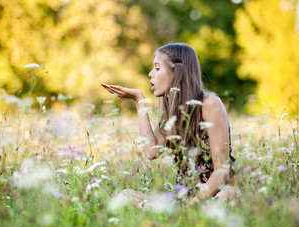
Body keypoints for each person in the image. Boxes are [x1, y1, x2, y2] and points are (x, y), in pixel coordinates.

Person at [101, 43, 240, 207]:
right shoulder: (173, 114)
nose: (150, 74)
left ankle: (192, 217)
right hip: (183, 201)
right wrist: (139, 100)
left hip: (214, 197)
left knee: (230, 194)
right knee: (126, 196)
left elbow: (221, 171)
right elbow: (151, 151)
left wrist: (192, 206)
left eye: (157, 68)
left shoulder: (209, 104)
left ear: (177, 72)